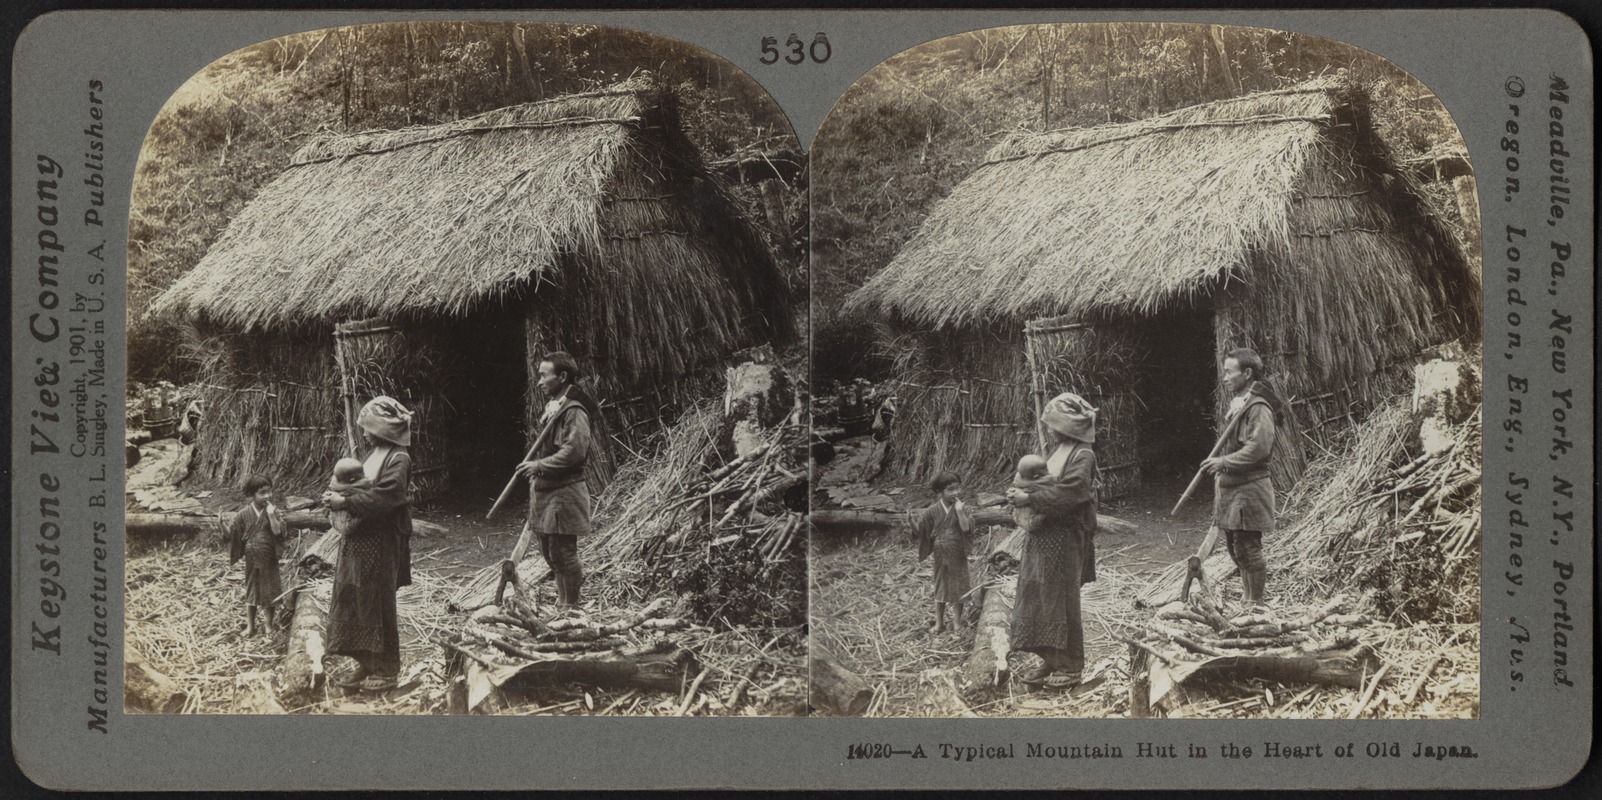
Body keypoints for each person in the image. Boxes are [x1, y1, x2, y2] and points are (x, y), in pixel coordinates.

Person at [1005, 392, 1098, 691]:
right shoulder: (1059, 450)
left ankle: (1071, 666)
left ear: (1067, 426)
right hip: (1043, 539)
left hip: (1065, 539)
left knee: (1062, 601)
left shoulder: (1082, 455)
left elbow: (1073, 493)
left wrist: (1029, 497)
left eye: (1053, 424)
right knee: (1040, 598)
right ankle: (1052, 658)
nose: (1049, 429)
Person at [323, 396, 413, 692]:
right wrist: (335, 498)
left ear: (382, 429)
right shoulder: (373, 454)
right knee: (355, 599)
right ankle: (366, 663)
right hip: (358, 543)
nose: (363, 433)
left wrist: (344, 500)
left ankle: (387, 670)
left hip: (382, 542)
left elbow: (387, 498)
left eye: (367, 427)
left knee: (379, 603)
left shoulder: (398, 459)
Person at [515, 351, 593, 610]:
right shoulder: (555, 408)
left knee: (564, 553)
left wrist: (540, 465)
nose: (539, 381)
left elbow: (575, 451)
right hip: (547, 491)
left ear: (562, 377)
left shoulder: (574, 411)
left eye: (543, 376)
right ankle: (562, 603)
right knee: (550, 553)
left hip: (565, 492)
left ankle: (570, 607)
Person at [1201, 348, 1278, 610]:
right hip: (1233, 488)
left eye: (1229, 372)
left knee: (1248, 549)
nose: (1224, 378)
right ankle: (1247, 600)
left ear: (1247, 373)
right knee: (1235, 549)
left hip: (1250, 489)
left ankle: (1256, 604)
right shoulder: (1241, 403)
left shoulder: (1258, 408)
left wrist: (1223, 462)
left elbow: (1258, 448)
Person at [913, 471, 973, 635]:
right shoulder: (932, 510)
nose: (955, 493)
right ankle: (939, 623)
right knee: (940, 586)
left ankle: (957, 623)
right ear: (940, 492)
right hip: (940, 552)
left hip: (958, 551)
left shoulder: (964, 508)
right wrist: (911, 522)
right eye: (950, 490)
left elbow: (966, 528)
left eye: (957, 488)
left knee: (959, 585)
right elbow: (921, 531)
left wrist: (960, 512)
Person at [227, 474, 286, 638]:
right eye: (262, 493)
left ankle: (268, 625)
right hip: (252, 558)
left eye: (269, 492)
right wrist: (222, 526)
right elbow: (233, 534)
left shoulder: (273, 511)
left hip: (269, 557)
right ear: (252, 495)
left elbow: (278, 532)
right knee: (252, 590)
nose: (267, 496)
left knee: (270, 590)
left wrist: (272, 515)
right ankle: (250, 626)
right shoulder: (243, 514)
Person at [325, 457, 371, 536]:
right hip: (349, 524)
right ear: (352, 479)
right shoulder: (353, 489)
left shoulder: (335, 485)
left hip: (335, 521)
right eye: (361, 474)